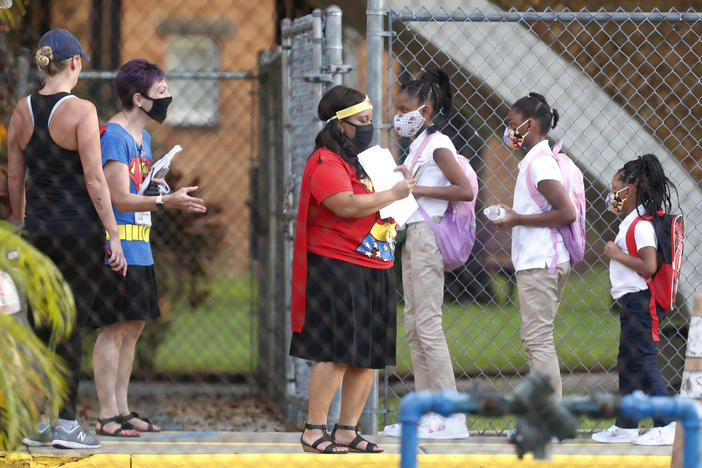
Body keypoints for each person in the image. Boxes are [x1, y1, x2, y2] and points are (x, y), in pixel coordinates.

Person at [7, 28, 127, 449]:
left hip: (38, 233)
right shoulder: (82, 110)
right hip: (78, 232)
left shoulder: (21, 111)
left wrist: (24, 224)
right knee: (70, 326)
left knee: (41, 327)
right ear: (74, 63)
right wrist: (112, 232)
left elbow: (15, 177)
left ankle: (40, 421)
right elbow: (95, 179)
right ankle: (67, 424)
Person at [290, 85, 415, 453]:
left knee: (368, 352)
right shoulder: (325, 161)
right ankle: (314, 429)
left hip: (375, 262)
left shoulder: (365, 160)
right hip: (337, 265)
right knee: (337, 349)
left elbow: (378, 197)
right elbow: (344, 204)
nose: (368, 127)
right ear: (339, 123)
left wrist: (396, 181)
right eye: (360, 121)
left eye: (369, 120)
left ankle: (347, 429)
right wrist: (393, 194)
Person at [90, 59, 207, 438]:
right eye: (161, 93)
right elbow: (119, 198)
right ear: (138, 99)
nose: (167, 98)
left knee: (134, 327)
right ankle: (106, 412)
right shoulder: (115, 135)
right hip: (118, 243)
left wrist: (155, 188)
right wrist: (164, 201)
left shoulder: (144, 139)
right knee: (114, 328)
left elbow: (136, 188)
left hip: (141, 243)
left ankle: (122, 408)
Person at [383, 69, 473, 439]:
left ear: (425, 110)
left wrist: (419, 192)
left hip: (427, 238)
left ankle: (451, 414)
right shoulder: (420, 145)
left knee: (429, 325)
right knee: (415, 326)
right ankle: (425, 411)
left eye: (403, 108)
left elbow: (464, 190)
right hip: (414, 235)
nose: (397, 115)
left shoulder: (439, 144)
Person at [491, 93, 576, 401]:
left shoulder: (540, 164)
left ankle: (549, 415)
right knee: (535, 339)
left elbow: (567, 212)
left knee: (537, 340)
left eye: (512, 124)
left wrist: (517, 219)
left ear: (530, 125)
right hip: (541, 260)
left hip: (541, 262)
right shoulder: (535, 161)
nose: (508, 130)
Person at [592, 154, 677, 445]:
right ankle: (626, 425)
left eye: (615, 188)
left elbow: (649, 265)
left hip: (642, 302)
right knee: (628, 362)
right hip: (630, 303)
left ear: (631, 189)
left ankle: (667, 424)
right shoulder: (631, 222)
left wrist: (618, 255)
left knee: (644, 361)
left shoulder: (640, 225)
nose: (611, 195)